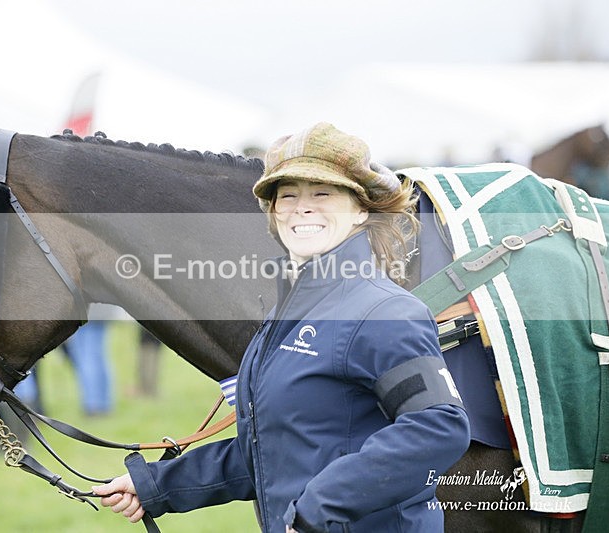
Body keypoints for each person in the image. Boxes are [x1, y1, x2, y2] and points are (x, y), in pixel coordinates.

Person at [93, 123, 470, 532]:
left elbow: (439, 427)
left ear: (361, 209)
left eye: (322, 193)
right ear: (272, 213)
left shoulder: (385, 311)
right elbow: (275, 446)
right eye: (287, 196)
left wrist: (318, 509)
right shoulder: (282, 316)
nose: (301, 208)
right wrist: (156, 485)